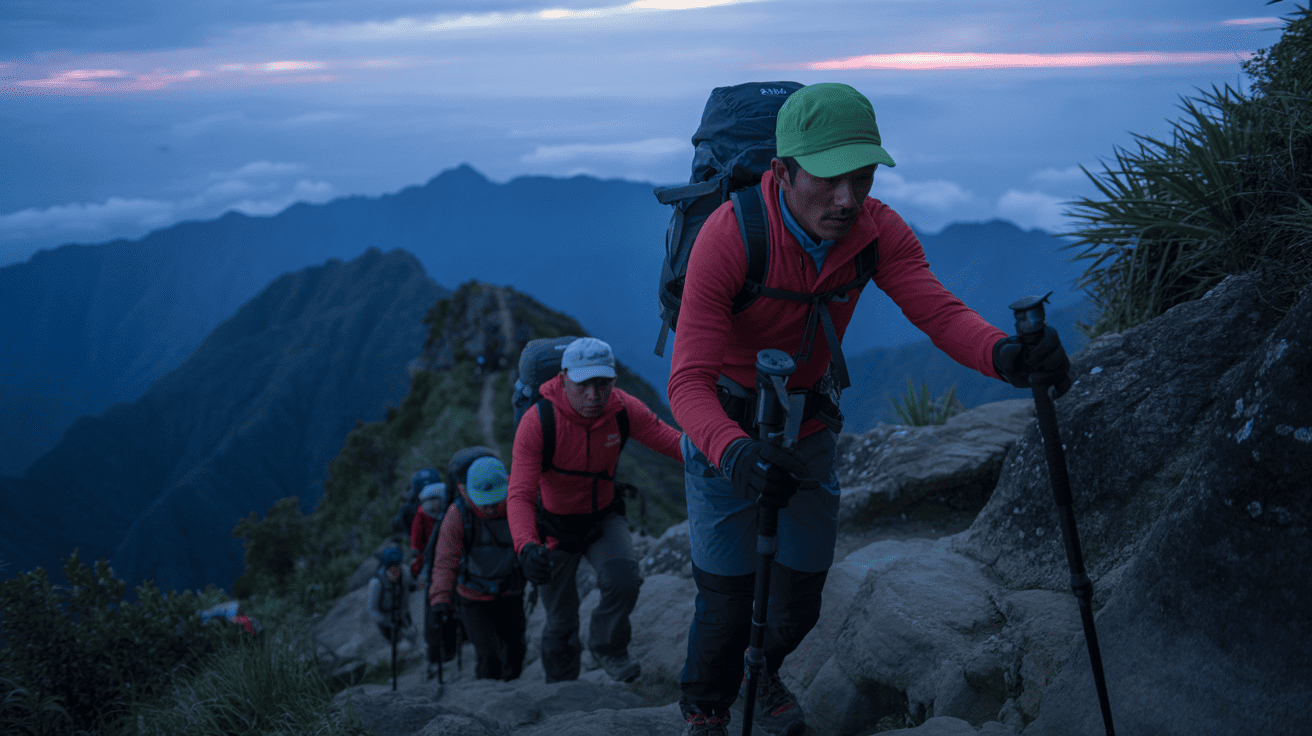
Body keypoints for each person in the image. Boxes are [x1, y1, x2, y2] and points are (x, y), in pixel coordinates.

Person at [668, 83, 1072, 736]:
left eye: (861, 177)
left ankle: (758, 673)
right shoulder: (730, 236)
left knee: (799, 598)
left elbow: (938, 313)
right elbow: (688, 381)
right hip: (723, 430)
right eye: (828, 180)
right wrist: (735, 453)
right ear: (782, 172)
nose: (847, 198)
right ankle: (706, 712)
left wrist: (1006, 356)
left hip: (807, 425)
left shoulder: (876, 232)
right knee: (725, 603)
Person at [507, 336, 684, 684]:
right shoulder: (538, 421)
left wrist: (725, 453)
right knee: (561, 619)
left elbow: (672, 442)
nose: (594, 395)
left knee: (624, 580)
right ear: (563, 380)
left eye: (603, 384)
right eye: (583, 384)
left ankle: (609, 647)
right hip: (553, 526)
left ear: (614, 381)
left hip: (603, 515)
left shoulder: (623, 409)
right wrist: (526, 545)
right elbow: (520, 493)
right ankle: (562, 686)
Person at [428, 455, 527, 681]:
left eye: (495, 500)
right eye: (484, 502)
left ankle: (512, 690)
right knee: (489, 657)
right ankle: (489, 695)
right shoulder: (458, 515)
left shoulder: (519, 502)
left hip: (510, 591)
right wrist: (439, 600)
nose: (490, 508)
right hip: (473, 597)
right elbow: (445, 560)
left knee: (516, 648)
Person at [411, 480, 459, 679]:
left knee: (435, 609)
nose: (434, 508)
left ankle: (439, 653)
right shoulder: (452, 510)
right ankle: (446, 650)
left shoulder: (423, 514)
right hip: (443, 566)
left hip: (434, 567)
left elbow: (417, 545)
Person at [366, 546, 412, 645]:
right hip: (385, 620)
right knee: (398, 644)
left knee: (411, 636)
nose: (395, 571)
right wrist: (387, 623)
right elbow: (371, 609)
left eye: (397, 567)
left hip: (401, 615)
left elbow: (407, 594)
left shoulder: (405, 574)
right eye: (392, 569)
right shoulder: (376, 583)